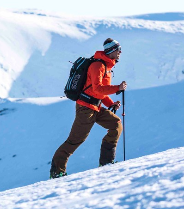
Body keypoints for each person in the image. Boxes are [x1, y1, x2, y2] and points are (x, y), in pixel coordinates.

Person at [51, 38, 127, 178]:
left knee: (116, 125)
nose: (120, 52)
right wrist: (117, 88)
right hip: (85, 108)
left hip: (95, 107)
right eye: (118, 49)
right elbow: (97, 89)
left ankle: (106, 163)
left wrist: (110, 104)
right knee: (75, 140)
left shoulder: (106, 67)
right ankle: (57, 172)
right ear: (111, 51)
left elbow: (99, 93)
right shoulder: (98, 66)